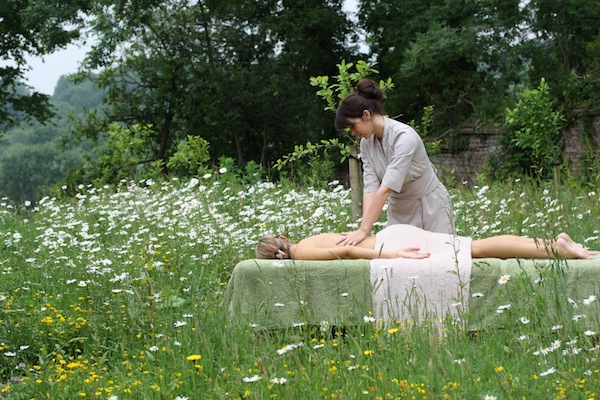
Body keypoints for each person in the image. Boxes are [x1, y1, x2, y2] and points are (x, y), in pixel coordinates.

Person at [334, 78, 454, 246]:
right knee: (401, 262)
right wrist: (363, 229)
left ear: (366, 115)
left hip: (430, 205)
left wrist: (363, 230)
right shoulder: (366, 143)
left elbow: (385, 189)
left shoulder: (405, 137)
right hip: (399, 209)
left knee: (441, 257)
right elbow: (371, 187)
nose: (353, 133)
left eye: (353, 127)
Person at [255, 224, 597, 261]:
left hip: (395, 239)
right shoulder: (307, 244)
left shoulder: (303, 256)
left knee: (475, 248)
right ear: (284, 240)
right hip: (392, 239)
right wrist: (390, 254)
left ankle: (555, 247)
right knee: (474, 245)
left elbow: (345, 251)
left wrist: (390, 252)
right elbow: (345, 248)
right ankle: (553, 244)